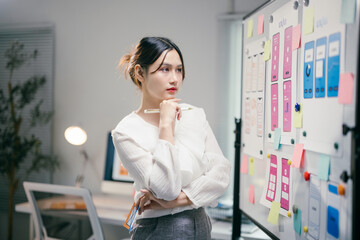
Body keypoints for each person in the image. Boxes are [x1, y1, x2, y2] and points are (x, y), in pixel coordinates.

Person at [112, 37, 231, 239]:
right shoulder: (125, 132)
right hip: (159, 228)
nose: (175, 78)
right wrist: (166, 125)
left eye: (179, 69)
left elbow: (221, 176)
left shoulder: (195, 114)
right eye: (165, 69)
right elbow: (167, 188)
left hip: (200, 222)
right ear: (140, 72)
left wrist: (175, 202)